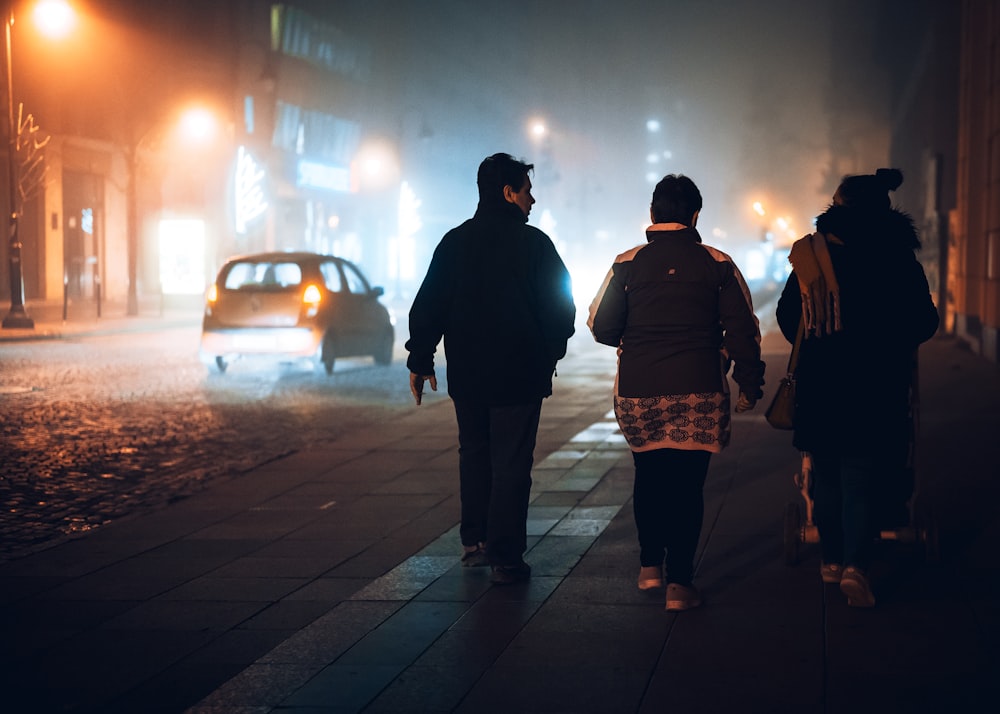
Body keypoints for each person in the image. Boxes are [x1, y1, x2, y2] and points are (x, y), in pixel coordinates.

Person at [588, 174, 765, 611]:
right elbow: (745, 329)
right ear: (695, 215)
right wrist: (750, 381)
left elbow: (600, 325)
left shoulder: (626, 263)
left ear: (652, 214)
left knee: (648, 476)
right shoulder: (718, 263)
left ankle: (650, 568)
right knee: (688, 486)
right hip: (698, 389)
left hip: (638, 391)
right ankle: (680, 584)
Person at [405, 152, 576, 585]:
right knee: (512, 462)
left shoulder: (454, 243)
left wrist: (421, 357)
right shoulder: (535, 245)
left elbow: (429, 304)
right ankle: (505, 556)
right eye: (527, 190)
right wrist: (550, 351)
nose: (532, 200)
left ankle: (474, 541)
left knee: (474, 454)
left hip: (469, 374)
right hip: (519, 375)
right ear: (508, 193)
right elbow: (561, 307)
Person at [775, 168, 939, 607]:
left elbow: (790, 318)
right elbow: (925, 323)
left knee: (825, 472)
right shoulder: (900, 259)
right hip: (878, 385)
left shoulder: (812, 256)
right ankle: (856, 566)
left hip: (822, 383)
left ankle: (830, 559)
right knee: (861, 473)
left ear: (838, 207)